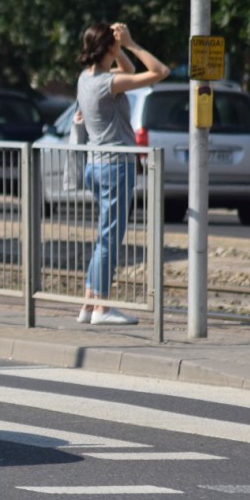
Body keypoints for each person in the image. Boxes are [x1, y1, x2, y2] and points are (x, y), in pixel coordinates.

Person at [76, 22, 169, 325]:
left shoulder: (87, 79)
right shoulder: (108, 84)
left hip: (96, 163)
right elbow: (160, 72)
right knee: (110, 238)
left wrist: (119, 49)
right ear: (108, 48)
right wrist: (131, 44)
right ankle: (102, 308)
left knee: (104, 235)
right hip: (116, 164)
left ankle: (89, 302)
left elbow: (126, 71)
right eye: (113, 44)